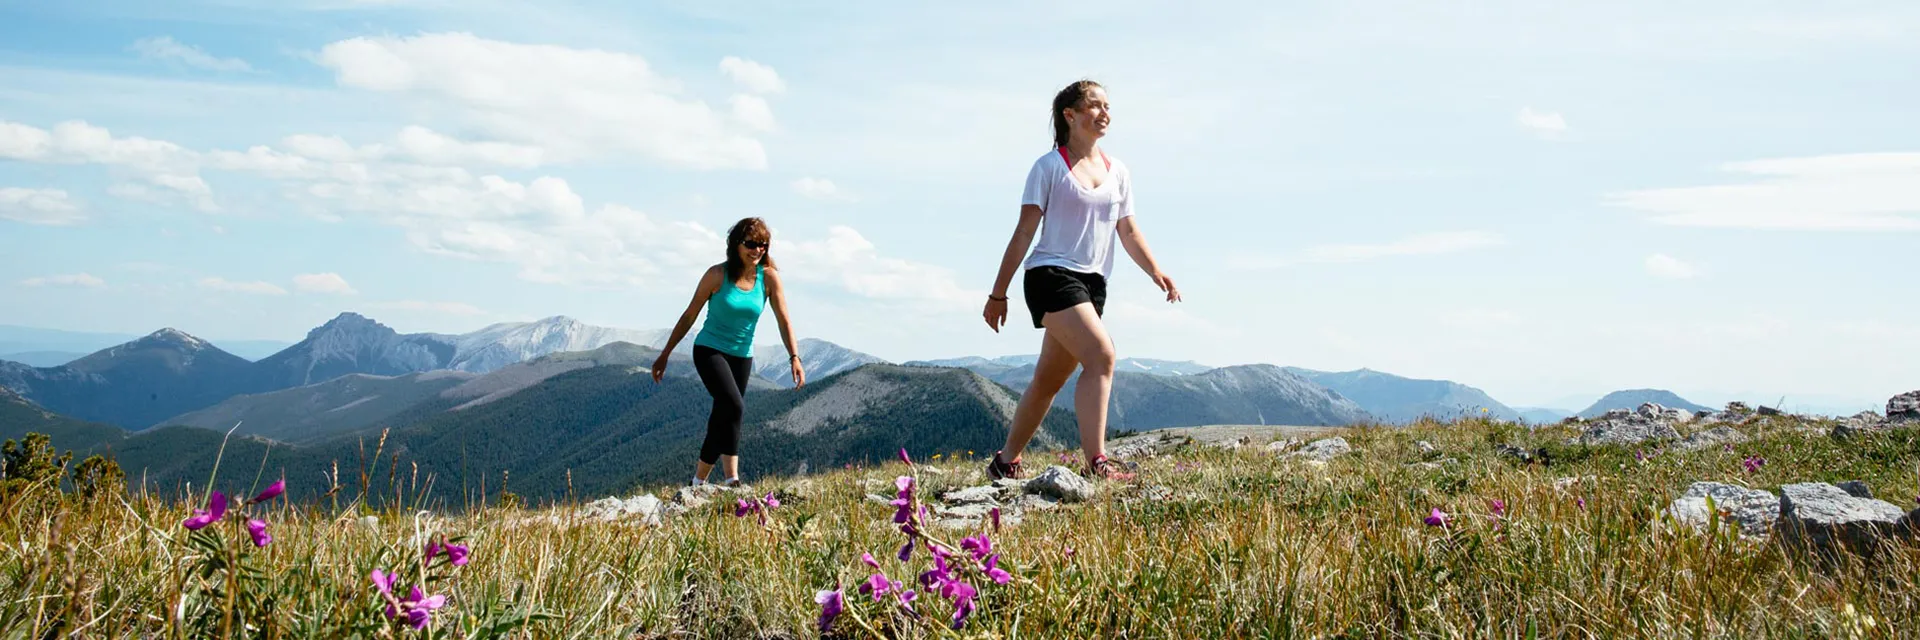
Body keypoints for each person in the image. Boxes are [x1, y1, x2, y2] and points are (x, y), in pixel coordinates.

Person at [981, 80, 1182, 482]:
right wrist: (998, 293)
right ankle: (1097, 463)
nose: (1105, 113)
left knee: (1048, 380)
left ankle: (1004, 463)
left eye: (1108, 106)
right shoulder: (1048, 167)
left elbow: (1128, 230)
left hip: (1093, 285)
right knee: (1102, 356)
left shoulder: (1118, 171)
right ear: (1069, 115)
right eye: (1095, 105)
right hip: (1050, 275)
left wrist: (1155, 270)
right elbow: (1024, 232)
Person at [651, 217, 805, 487]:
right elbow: (689, 315)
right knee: (734, 406)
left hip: (742, 356)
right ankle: (731, 478)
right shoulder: (716, 275)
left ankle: (699, 482)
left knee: (725, 413)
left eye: (763, 245)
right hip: (709, 349)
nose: (757, 250)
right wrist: (665, 354)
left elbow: (784, 320)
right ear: (736, 245)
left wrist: (794, 357)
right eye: (751, 244)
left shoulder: (768, 278)